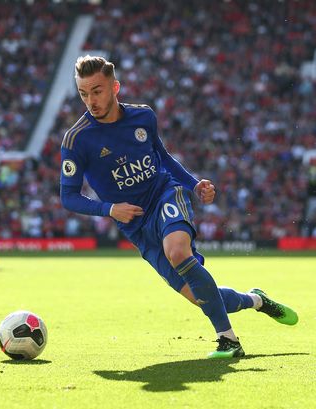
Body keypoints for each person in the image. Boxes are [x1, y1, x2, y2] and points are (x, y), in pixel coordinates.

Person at [60, 55, 298, 359]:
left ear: (114, 87)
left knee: (177, 252)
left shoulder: (143, 116)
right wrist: (108, 209)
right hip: (136, 226)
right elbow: (68, 197)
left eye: (97, 91)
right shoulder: (76, 139)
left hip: (164, 194)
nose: (90, 101)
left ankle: (228, 341)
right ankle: (257, 300)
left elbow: (163, 158)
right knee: (202, 298)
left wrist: (193, 185)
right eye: (83, 93)